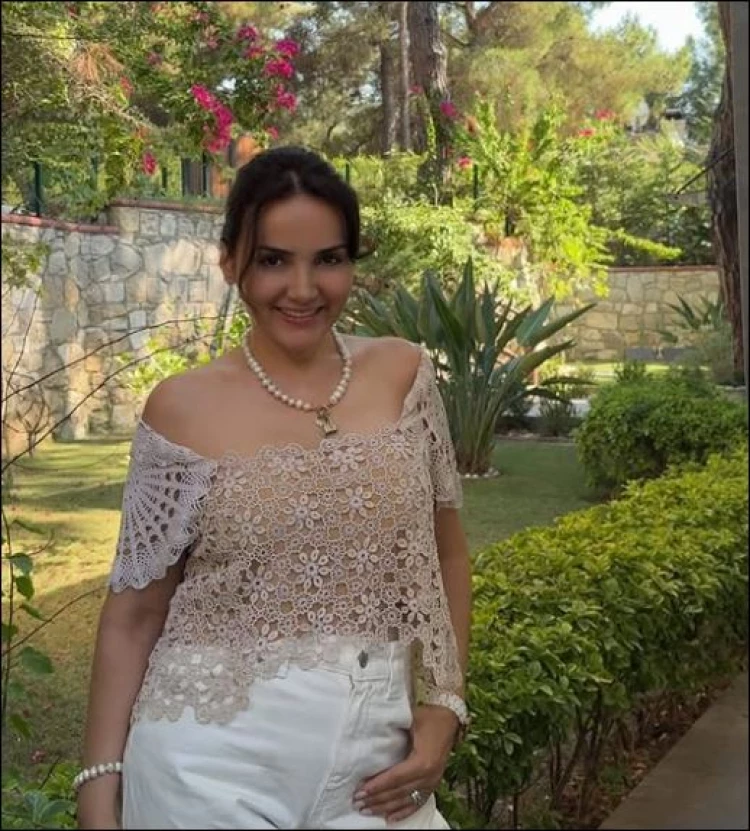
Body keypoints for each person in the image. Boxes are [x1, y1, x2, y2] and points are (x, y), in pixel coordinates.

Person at [76, 145, 472, 830]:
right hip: (206, 767)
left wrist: (445, 703)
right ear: (231, 262)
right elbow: (134, 613)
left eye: (329, 258)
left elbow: (447, 556)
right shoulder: (180, 409)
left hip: (379, 771)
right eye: (273, 260)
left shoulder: (403, 376)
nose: (303, 288)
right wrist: (97, 788)